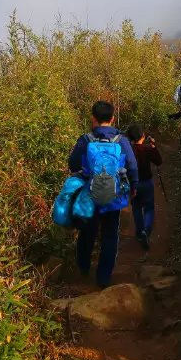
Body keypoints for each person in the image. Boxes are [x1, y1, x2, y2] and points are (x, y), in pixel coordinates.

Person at [68, 100, 138, 289]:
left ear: (94, 119)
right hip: (113, 197)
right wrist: (134, 187)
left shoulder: (85, 140)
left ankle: (83, 267)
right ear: (112, 118)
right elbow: (132, 166)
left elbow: (73, 164)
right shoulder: (121, 140)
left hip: (90, 195)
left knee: (87, 232)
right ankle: (104, 277)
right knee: (110, 235)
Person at [126, 123, 163, 250]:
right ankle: (146, 231)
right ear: (143, 135)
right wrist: (153, 146)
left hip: (134, 184)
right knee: (149, 208)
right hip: (147, 183)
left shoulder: (128, 151)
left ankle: (139, 232)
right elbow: (158, 161)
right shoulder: (147, 149)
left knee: (136, 208)